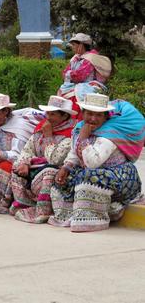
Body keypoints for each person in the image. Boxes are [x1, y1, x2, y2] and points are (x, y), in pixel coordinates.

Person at [49, 93, 144, 232]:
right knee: (59, 177)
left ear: (106, 116)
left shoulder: (110, 132)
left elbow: (92, 163)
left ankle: (93, 218)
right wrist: (66, 167)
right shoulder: (80, 128)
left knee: (89, 177)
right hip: (93, 171)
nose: (93, 118)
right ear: (83, 113)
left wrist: (84, 138)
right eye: (89, 114)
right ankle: (69, 214)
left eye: (98, 115)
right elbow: (75, 152)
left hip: (119, 177)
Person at [8, 96, 77, 223]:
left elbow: (54, 160)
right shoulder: (42, 128)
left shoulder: (71, 134)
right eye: (48, 113)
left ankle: (43, 210)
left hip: (59, 175)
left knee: (49, 171)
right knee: (16, 168)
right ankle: (24, 204)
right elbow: (27, 150)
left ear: (64, 116)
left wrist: (49, 137)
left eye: (53, 114)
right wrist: (24, 163)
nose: (49, 117)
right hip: (36, 170)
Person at [57, 33, 112, 117]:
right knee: (61, 93)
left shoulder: (91, 58)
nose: (72, 47)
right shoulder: (76, 58)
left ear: (81, 45)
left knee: (75, 95)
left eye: (74, 44)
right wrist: (70, 74)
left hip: (90, 85)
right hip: (76, 84)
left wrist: (69, 74)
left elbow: (79, 76)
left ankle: (76, 119)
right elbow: (64, 73)